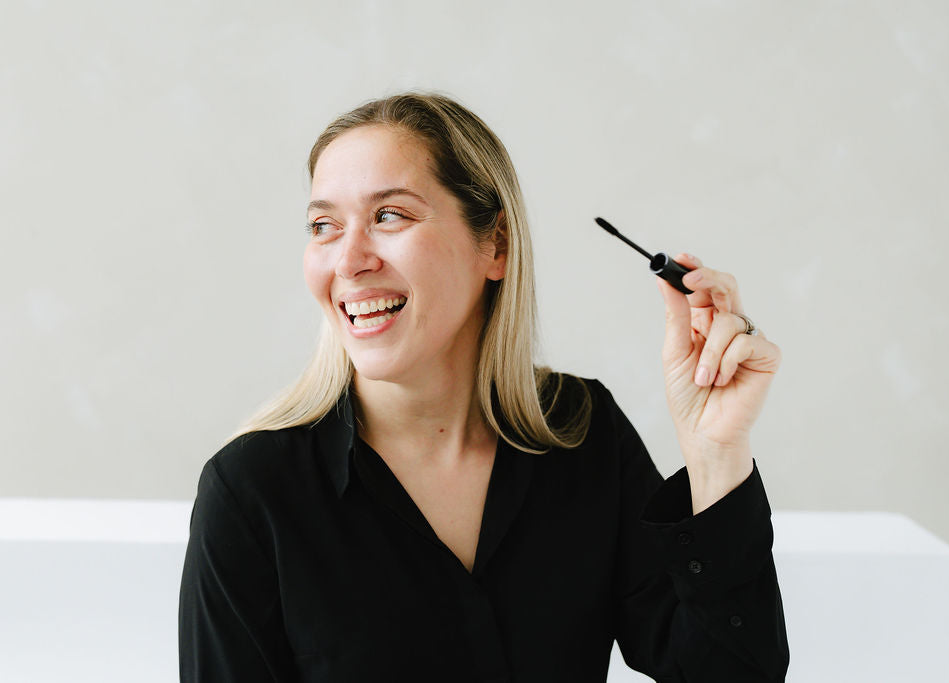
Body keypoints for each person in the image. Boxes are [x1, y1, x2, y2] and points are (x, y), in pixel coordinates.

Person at [178, 91, 789, 682]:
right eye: (323, 226)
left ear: (494, 244)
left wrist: (715, 458)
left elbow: (731, 671)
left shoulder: (582, 431)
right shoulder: (251, 492)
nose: (347, 260)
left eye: (389, 215)